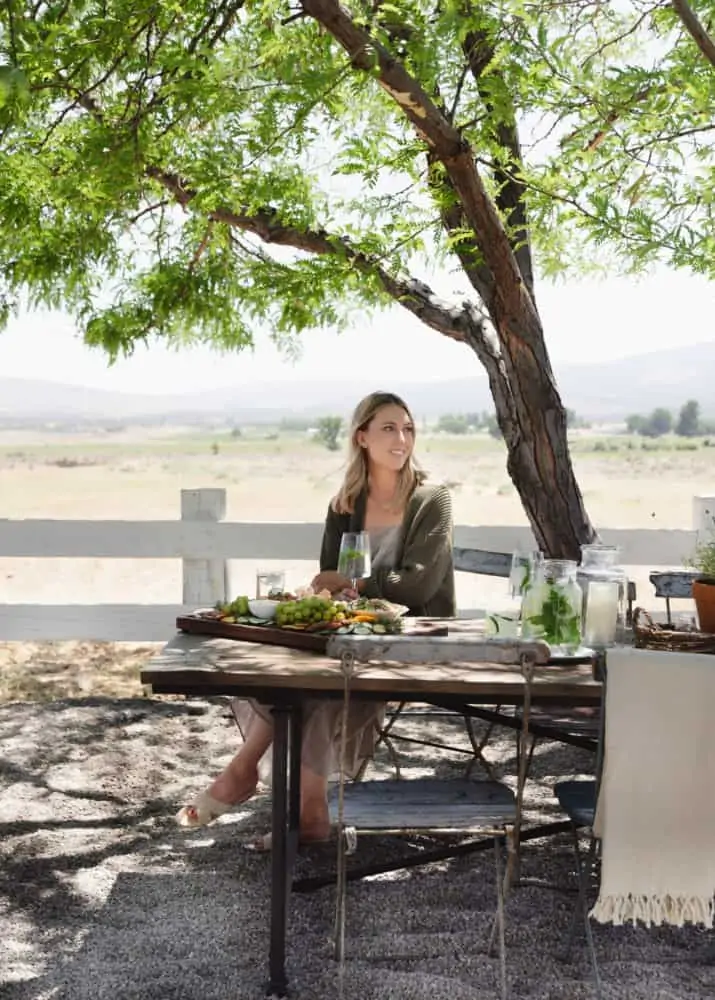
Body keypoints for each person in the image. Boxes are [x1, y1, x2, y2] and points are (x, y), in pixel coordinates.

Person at [175, 390, 456, 846]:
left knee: (321, 688)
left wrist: (360, 586)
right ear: (362, 437)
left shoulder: (432, 499)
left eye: (408, 428)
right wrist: (346, 589)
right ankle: (306, 812)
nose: (401, 438)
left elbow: (417, 587)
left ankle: (250, 779)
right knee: (295, 677)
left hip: (408, 640)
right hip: (350, 633)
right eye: (388, 428)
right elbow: (327, 587)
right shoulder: (345, 503)